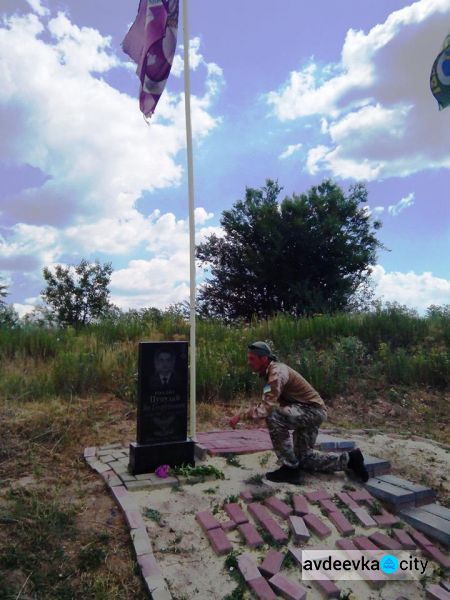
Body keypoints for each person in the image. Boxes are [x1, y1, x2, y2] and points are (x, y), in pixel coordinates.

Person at [229, 341, 369, 484]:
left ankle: (290, 469)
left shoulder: (276, 373)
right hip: (311, 412)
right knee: (304, 458)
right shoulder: (269, 374)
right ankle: (351, 460)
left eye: (252, 358)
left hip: (311, 411)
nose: (249, 362)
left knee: (273, 417)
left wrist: (240, 415)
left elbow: (265, 409)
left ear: (264, 359)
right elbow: (268, 401)